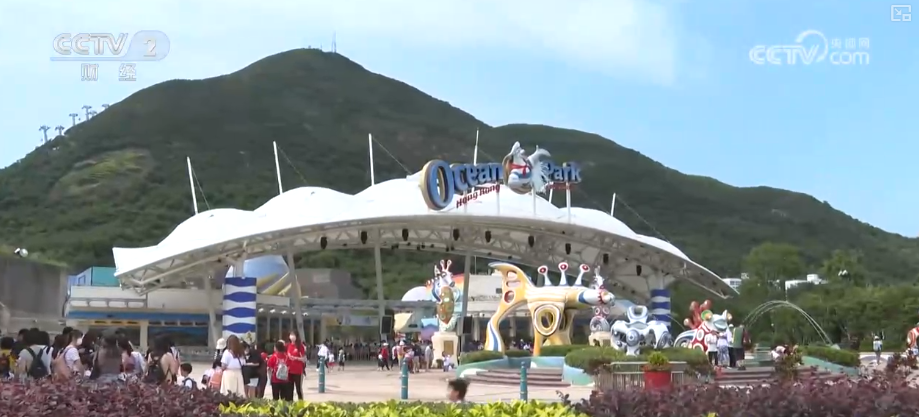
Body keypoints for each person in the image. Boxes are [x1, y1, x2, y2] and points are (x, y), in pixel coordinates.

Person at [286, 332, 307, 400]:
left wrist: (296, 358)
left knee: (298, 388)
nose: (292, 336)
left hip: (298, 370)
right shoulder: (288, 345)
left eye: (293, 335)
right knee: (289, 388)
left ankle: (300, 402)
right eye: (291, 335)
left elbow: (304, 359)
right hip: (289, 370)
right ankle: (290, 402)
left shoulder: (300, 346)